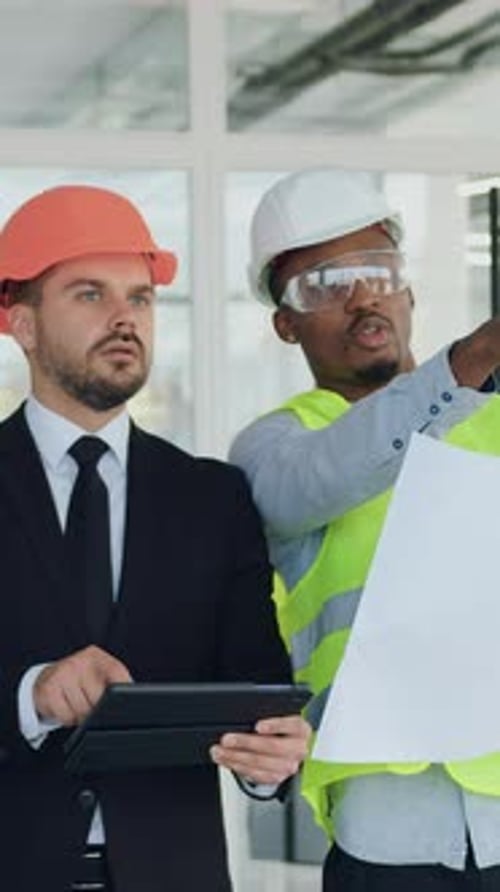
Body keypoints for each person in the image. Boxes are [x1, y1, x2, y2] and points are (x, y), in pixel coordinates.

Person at [0, 183, 311, 892]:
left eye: (139, 298)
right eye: (89, 295)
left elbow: (250, 687)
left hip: (173, 871)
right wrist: (31, 695)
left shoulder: (214, 499)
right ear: (22, 325)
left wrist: (271, 761)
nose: (124, 318)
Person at [229, 167, 500, 892]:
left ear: (408, 291)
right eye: (321, 284)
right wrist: (474, 356)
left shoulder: (494, 420)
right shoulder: (276, 447)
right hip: (386, 823)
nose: (360, 295)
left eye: (376, 270)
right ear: (285, 324)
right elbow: (332, 473)